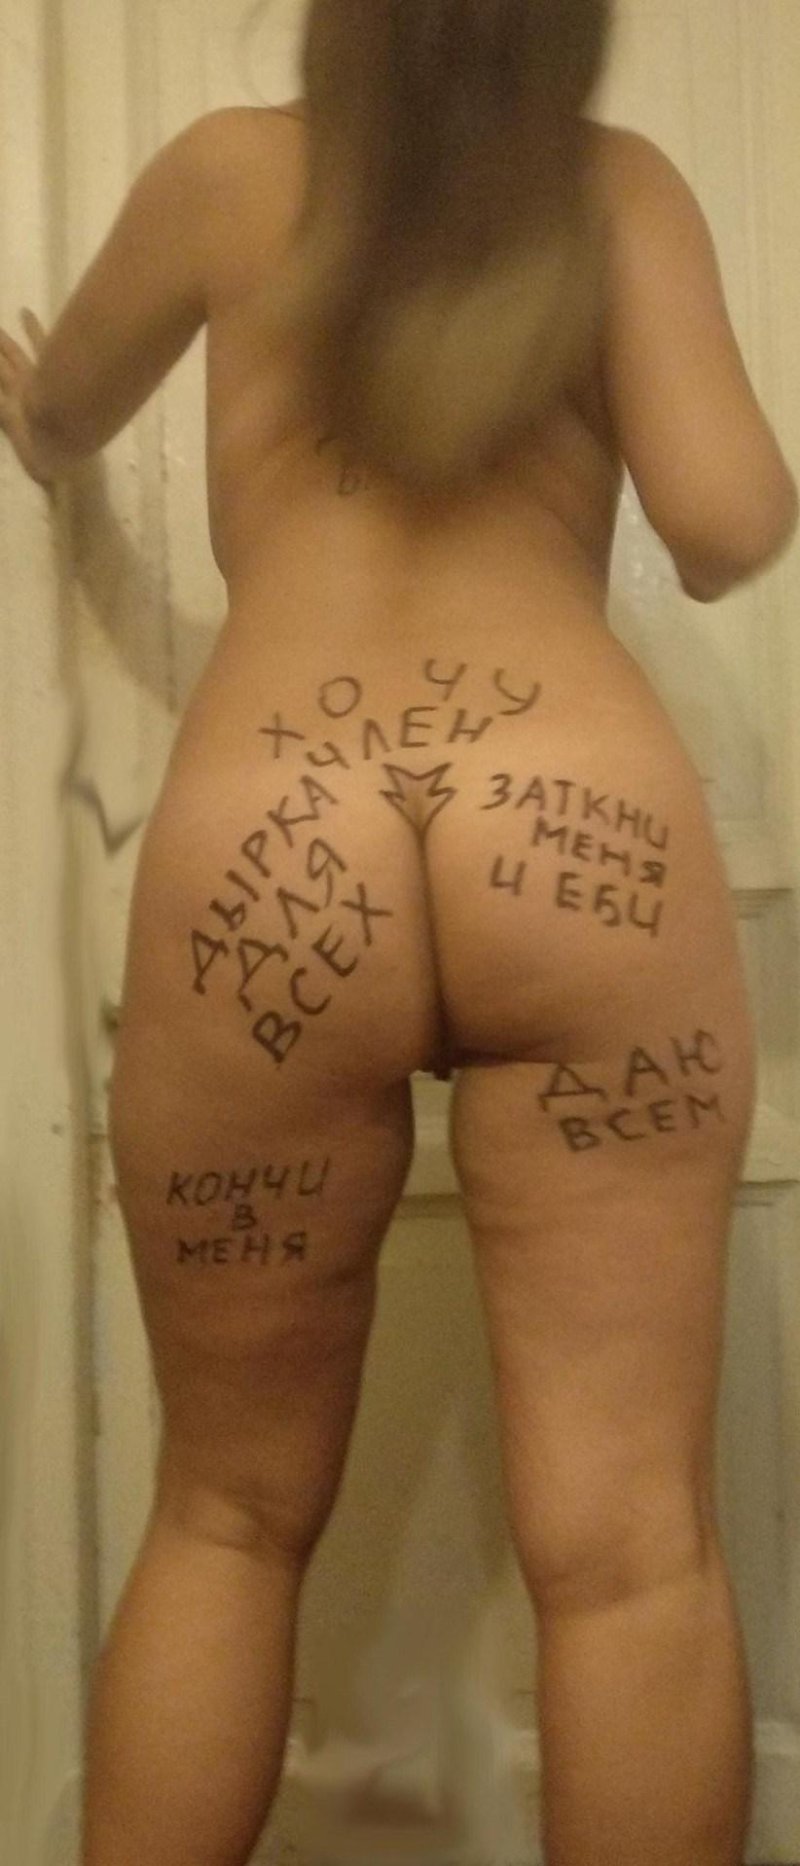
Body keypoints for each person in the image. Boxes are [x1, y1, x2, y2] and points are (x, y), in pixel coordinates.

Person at [1, 2, 797, 1863]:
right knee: (629, 1551)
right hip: (575, 834)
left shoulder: (223, 176)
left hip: (276, 842)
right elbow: (724, 518)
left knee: (223, 1514)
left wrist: (40, 414)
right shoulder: (614, 193)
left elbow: (58, 414)